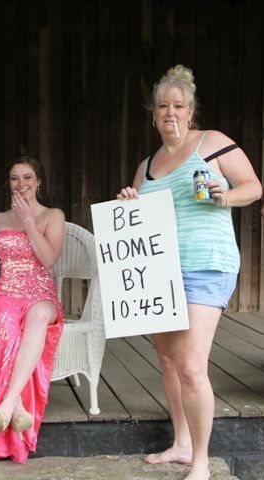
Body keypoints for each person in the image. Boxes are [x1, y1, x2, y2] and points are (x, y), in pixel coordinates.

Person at [117, 65, 261, 480]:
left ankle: (201, 461)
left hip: (206, 263)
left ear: (190, 110)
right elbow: (139, 220)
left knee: (192, 365)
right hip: (160, 272)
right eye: (163, 106)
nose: (170, 113)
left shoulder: (211, 144)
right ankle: (180, 443)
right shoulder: (146, 165)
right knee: (167, 360)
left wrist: (225, 196)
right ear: (153, 114)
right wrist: (130, 202)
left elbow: (253, 186)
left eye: (178, 106)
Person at [0, 156, 66, 464]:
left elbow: (48, 259)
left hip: (40, 292)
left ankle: (7, 402)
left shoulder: (53, 215)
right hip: (3, 292)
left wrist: (27, 222)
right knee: (6, 324)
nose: (20, 184)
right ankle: (17, 408)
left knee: (37, 316)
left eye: (27, 177)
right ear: (7, 183)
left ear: (39, 182)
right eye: (14, 178)